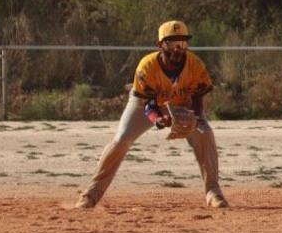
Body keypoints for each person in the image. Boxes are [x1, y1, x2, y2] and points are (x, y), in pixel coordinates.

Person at [76, 20, 228, 209]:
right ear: (160, 45)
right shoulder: (147, 67)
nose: (178, 49)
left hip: (182, 102)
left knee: (205, 133)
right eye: (172, 43)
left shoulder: (195, 65)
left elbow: (197, 98)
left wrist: (194, 118)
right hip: (145, 104)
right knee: (122, 139)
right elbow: (148, 104)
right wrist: (159, 119)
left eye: (183, 43)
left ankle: (213, 192)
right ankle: (91, 194)